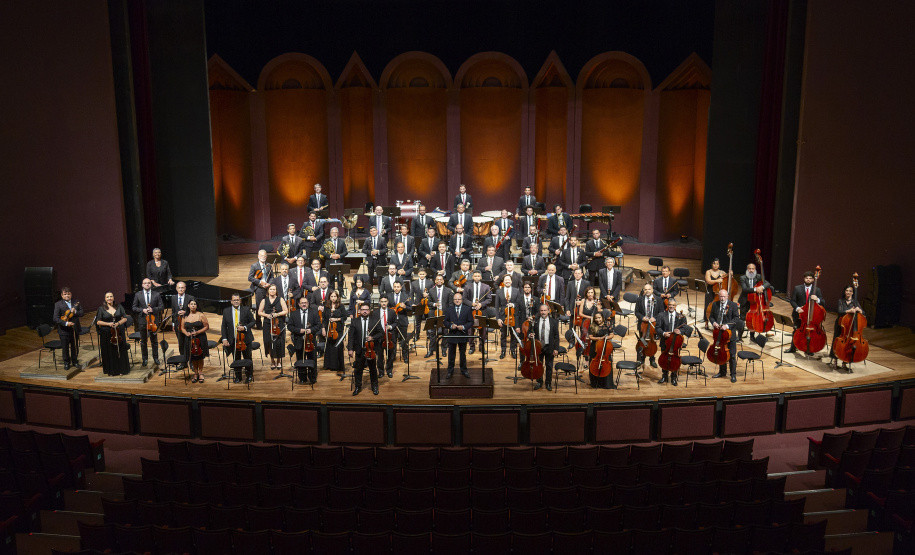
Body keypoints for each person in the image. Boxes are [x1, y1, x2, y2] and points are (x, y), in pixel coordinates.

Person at [786, 271, 825, 355]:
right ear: (804, 279)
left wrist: (817, 299)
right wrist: (797, 308)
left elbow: (823, 302)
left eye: (810, 278)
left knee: (810, 333)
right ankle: (793, 347)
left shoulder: (817, 290)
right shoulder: (797, 288)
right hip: (799, 315)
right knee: (796, 331)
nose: (808, 279)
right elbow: (792, 301)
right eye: (807, 278)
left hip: (812, 317)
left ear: (813, 280)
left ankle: (809, 349)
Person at [220, 294, 256, 383]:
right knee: (236, 358)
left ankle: (249, 375)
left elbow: (253, 321)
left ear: (240, 301)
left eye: (237, 300)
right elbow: (224, 326)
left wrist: (245, 327)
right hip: (233, 339)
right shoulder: (226, 311)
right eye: (234, 300)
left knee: (247, 358)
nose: (236, 301)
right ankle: (238, 376)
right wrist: (224, 338)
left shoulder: (246, 309)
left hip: (245, 339)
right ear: (231, 301)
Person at [348, 302, 382, 395]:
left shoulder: (375, 320)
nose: (365, 311)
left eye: (366, 310)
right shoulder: (355, 321)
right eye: (363, 310)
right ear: (359, 311)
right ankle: (358, 387)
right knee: (358, 369)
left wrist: (372, 338)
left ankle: (374, 386)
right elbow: (351, 336)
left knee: (373, 369)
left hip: (371, 349)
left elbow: (381, 333)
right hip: (360, 349)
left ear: (369, 311)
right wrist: (350, 349)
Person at [831, 284, 865, 370]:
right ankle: (835, 360)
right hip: (841, 324)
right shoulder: (841, 301)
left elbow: (863, 313)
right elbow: (839, 311)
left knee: (848, 344)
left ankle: (845, 362)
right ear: (844, 292)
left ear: (853, 293)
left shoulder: (855, 302)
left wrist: (860, 310)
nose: (848, 292)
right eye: (847, 290)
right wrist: (849, 311)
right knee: (836, 341)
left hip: (850, 326)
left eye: (850, 291)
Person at [708, 289, 740, 382]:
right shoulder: (715, 304)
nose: (722, 298)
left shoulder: (733, 305)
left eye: (724, 297)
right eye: (721, 296)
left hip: (729, 334)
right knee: (721, 353)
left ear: (727, 296)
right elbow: (711, 317)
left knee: (732, 356)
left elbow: (736, 318)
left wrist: (727, 326)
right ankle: (722, 372)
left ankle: (733, 375)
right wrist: (714, 323)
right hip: (719, 333)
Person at [132, 278, 164, 367]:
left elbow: (161, 307)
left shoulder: (156, 294)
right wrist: (142, 310)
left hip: (153, 321)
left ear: (151, 284)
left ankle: (156, 358)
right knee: (143, 341)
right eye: (145, 283)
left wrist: (153, 309)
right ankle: (145, 359)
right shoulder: (138, 294)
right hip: (142, 321)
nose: (147, 284)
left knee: (154, 341)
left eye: (149, 283)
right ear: (142, 285)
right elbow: (134, 307)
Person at [95, 292, 129, 376]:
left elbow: (125, 318)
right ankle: (112, 370)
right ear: (105, 299)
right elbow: (98, 322)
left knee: (120, 350)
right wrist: (108, 324)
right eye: (107, 297)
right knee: (110, 351)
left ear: (113, 298)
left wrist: (118, 323)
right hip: (107, 333)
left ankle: (122, 369)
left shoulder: (119, 306)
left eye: (111, 296)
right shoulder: (101, 309)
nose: (109, 298)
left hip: (119, 331)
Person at [288, 295, 320, 383]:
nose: (304, 304)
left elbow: (318, 325)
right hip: (299, 341)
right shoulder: (294, 314)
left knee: (312, 359)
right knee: (300, 359)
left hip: (311, 341)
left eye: (305, 303)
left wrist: (311, 330)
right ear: (299, 304)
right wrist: (299, 330)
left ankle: (312, 378)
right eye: (302, 303)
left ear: (308, 303)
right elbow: (289, 326)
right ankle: (302, 378)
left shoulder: (314, 312)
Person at [258, 283, 289, 373]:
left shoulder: (280, 299)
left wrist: (277, 314)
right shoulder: (264, 300)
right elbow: (259, 312)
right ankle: (272, 361)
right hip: (268, 323)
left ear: (276, 291)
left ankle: (278, 361)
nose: (272, 291)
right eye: (271, 289)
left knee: (278, 342)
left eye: (274, 289)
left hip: (278, 323)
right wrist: (267, 315)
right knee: (268, 342)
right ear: (268, 291)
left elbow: (286, 310)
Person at [656, 299, 688, 386]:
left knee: (675, 360)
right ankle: (664, 376)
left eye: (673, 305)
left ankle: (674, 377)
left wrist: (680, 331)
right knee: (664, 359)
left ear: (675, 306)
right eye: (670, 305)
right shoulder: (661, 315)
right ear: (667, 305)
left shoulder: (681, 317)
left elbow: (685, 328)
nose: (671, 306)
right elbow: (657, 328)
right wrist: (663, 333)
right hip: (665, 342)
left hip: (676, 342)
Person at [738, 262, 773, 340]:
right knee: (742, 319)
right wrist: (756, 289)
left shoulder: (758, 276)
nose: (751, 270)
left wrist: (762, 287)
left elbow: (768, 284)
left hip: (755, 301)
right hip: (745, 300)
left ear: (755, 269)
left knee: (753, 318)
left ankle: (752, 336)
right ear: (747, 269)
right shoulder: (743, 278)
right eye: (749, 269)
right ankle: (739, 336)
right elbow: (744, 289)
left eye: (752, 269)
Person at [52, 286, 83, 371]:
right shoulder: (58, 304)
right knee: (65, 347)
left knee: (74, 346)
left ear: (71, 294)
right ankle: (66, 363)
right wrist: (66, 323)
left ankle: (75, 361)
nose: (67, 296)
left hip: (74, 328)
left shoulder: (75, 302)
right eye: (65, 294)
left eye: (68, 294)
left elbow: (81, 313)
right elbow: (55, 318)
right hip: (63, 330)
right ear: (62, 295)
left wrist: (75, 312)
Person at [495, 274, 525, 359]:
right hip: (503, 317)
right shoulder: (499, 291)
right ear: (503, 282)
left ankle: (513, 350)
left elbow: (519, 303)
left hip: (513, 316)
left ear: (511, 281)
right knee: (503, 335)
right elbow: (496, 306)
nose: (507, 281)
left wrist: (513, 305)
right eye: (506, 280)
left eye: (509, 280)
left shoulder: (516, 290)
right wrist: (498, 319)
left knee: (514, 335)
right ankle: (503, 351)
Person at [443, 292, 473, 379]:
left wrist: (463, 327)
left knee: (462, 354)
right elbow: (445, 321)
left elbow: (470, 322)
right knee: (451, 354)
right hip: (452, 335)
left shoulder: (467, 309)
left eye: (459, 299)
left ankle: (464, 370)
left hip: (462, 335)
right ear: (453, 300)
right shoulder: (449, 309)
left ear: (462, 300)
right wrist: (450, 326)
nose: (457, 301)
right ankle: (450, 371)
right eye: (455, 299)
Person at [464, 271, 494, 355]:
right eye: (475, 276)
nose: (477, 277)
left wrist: (481, 304)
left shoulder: (486, 287)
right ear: (472, 277)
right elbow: (464, 299)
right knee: (470, 330)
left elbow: (489, 299)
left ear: (481, 277)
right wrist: (472, 304)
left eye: (478, 276)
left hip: (482, 311)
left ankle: (482, 346)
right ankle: (471, 346)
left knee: (483, 331)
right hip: (471, 311)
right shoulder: (467, 286)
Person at [531, 303, 559, 391]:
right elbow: (529, 332)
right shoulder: (535, 321)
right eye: (541, 310)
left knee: (549, 366)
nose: (543, 312)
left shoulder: (553, 321)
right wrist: (530, 335)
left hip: (549, 346)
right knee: (539, 365)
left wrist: (556, 348)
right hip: (538, 347)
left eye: (544, 310)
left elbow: (556, 336)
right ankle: (539, 382)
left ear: (548, 311)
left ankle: (548, 383)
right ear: (539, 312)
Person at [634, 283, 662, 370]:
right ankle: (641, 359)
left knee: (652, 341)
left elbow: (661, 312)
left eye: (649, 289)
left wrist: (655, 318)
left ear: (652, 290)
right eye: (645, 289)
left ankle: (652, 359)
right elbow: (636, 312)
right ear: (643, 290)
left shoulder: (658, 299)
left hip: (653, 324)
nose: (647, 291)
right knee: (642, 341)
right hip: (643, 324)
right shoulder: (640, 299)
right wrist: (642, 317)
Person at [425, 274, 453, 358]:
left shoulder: (448, 291)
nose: (439, 281)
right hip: (434, 313)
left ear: (443, 281)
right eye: (437, 279)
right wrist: (434, 304)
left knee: (445, 332)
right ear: (435, 281)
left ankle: (444, 350)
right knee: (432, 333)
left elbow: (451, 305)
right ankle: (431, 350)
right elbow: (428, 302)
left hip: (444, 314)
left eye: (441, 279)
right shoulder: (431, 290)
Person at [181, 300, 209, 383]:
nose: (193, 305)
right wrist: (186, 333)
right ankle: (195, 373)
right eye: (191, 304)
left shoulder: (201, 315)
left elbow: (206, 326)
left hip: (200, 338)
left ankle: (200, 373)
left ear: (196, 306)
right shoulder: (185, 316)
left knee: (200, 356)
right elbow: (182, 328)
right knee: (193, 356)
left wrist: (197, 332)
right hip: (189, 339)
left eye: (194, 304)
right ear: (188, 305)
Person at [586, 311, 615, 389]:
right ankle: (595, 383)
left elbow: (612, 334)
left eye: (599, 318)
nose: (598, 320)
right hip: (595, 347)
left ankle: (606, 383)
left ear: (602, 318)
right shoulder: (592, 326)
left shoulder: (607, 325)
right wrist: (599, 338)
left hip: (605, 347)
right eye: (596, 318)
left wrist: (606, 338)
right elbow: (590, 337)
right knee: (594, 364)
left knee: (606, 363)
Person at [170, 281, 195, 368]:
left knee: (189, 344)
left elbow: (195, 310)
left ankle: (191, 362)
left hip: (188, 324)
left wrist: (186, 312)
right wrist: (173, 324)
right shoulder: (173, 298)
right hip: (178, 324)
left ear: (185, 288)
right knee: (181, 344)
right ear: (176, 289)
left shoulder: (190, 297)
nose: (181, 289)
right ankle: (183, 362)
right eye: (179, 288)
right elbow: (173, 311)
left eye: (182, 288)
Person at [322, 290, 347, 374]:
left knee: (338, 346)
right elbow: (324, 319)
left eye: (335, 296)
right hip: (329, 329)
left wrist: (336, 319)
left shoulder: (341, 306)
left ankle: (338, 366)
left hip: (338, 329)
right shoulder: (326, 306)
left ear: (337, 297)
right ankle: (330, 365)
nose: (333, 298)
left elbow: (345, 317)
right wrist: (323, 329)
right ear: (329, 297)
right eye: (331, 296)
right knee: (330, 347)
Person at [388, 280, 412, 368]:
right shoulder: (389, 296)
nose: (396, 288)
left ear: (401, 287)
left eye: (398, 287)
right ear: (393, 287)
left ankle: (405, 356)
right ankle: (393, 356)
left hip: (402, 321)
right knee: (393, 340)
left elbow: (410, 308)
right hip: (393, 322)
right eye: (395, 287)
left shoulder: (406, 296)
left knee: (404, 340)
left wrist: (405, 307)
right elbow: (387, 307)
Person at [248, 249, 273, 324]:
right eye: (261, 256)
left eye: (264, 256)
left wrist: (269, 284)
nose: (263, 257)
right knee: (259, 306)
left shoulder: (268, 265)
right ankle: (258, 323)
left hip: (267, 288)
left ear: (266, 256)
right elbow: (250, 278)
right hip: (259, 288)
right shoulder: (254, 266)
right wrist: (260, 282)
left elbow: (272, 277)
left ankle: (267, 322)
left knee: (268, 305)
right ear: (258, 256)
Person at [375, 296, 398, 379]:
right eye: (382, 301)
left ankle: (389, 371)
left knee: (390, 355)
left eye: (385, 301)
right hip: (380, 337)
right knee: (380, 356)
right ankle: (381, 371)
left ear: (387, 302)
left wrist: (390, 327)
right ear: (379, 302)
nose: (383, 303)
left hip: (390, 337)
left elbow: (396, 322)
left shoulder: (392, 312)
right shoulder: (375, 312)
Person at [411, 268, 432, 342]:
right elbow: (411, 294)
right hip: (418, 304)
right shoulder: (414, 283)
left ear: (425, 274)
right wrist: (412, 303)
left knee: (428, 321)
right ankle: (417, 335)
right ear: (418, 274)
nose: (422, 275)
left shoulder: (430, 283)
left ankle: (429, 335)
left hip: (427, 305)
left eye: (423, 274)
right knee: (418, 322)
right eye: (420, 274)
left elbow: (433, 293)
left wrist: (428, 295)